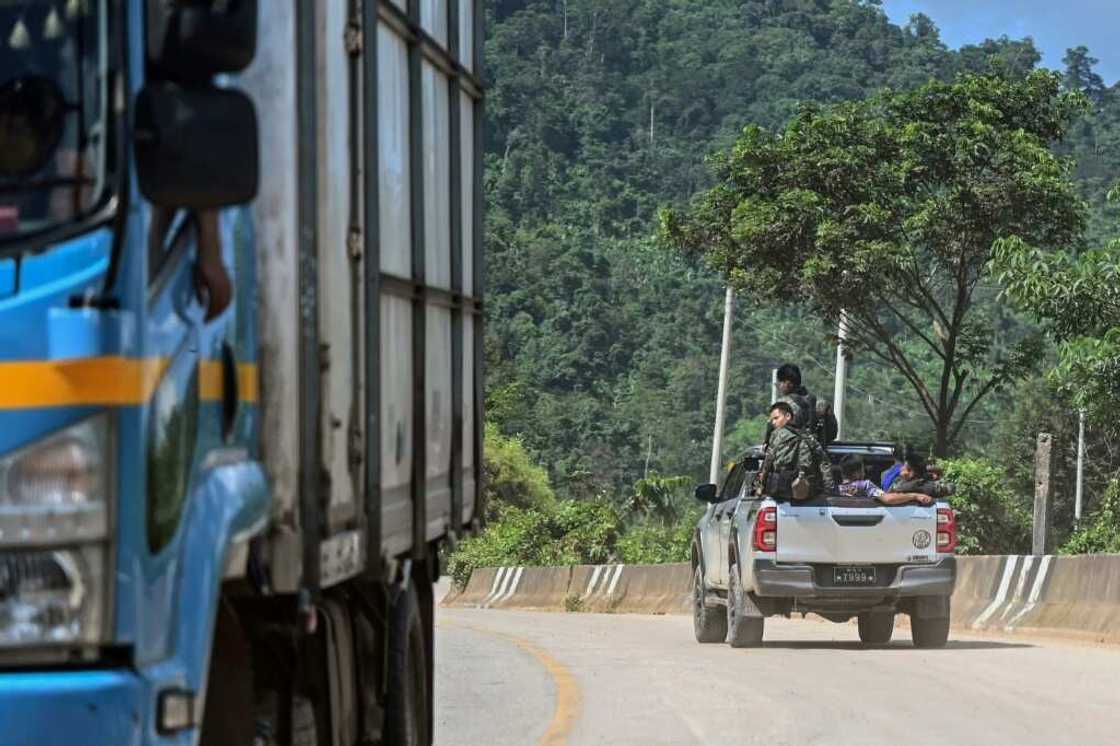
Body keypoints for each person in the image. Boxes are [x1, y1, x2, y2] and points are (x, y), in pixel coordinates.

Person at [758, 401, 835, 499]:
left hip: (781, 490)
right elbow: (824, 462)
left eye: (776, 418)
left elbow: (768, 461)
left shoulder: (778, 434)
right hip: (808, 492)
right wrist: (828, 490)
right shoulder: (808, 436)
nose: (773, 422)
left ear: (788, 416)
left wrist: (761, 486)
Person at [838, 455, 932, 505]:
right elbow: (888, 499)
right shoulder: (866, 486)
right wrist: (914, 496)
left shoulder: (834, 489)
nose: (864, 472)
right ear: (857, 473)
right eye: (863, 469)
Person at [887, 448, 956, 501]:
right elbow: (948, 489)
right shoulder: (920, 485)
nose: (902, 469)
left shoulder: (902, 483)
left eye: (906, 468)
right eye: (904, 467)